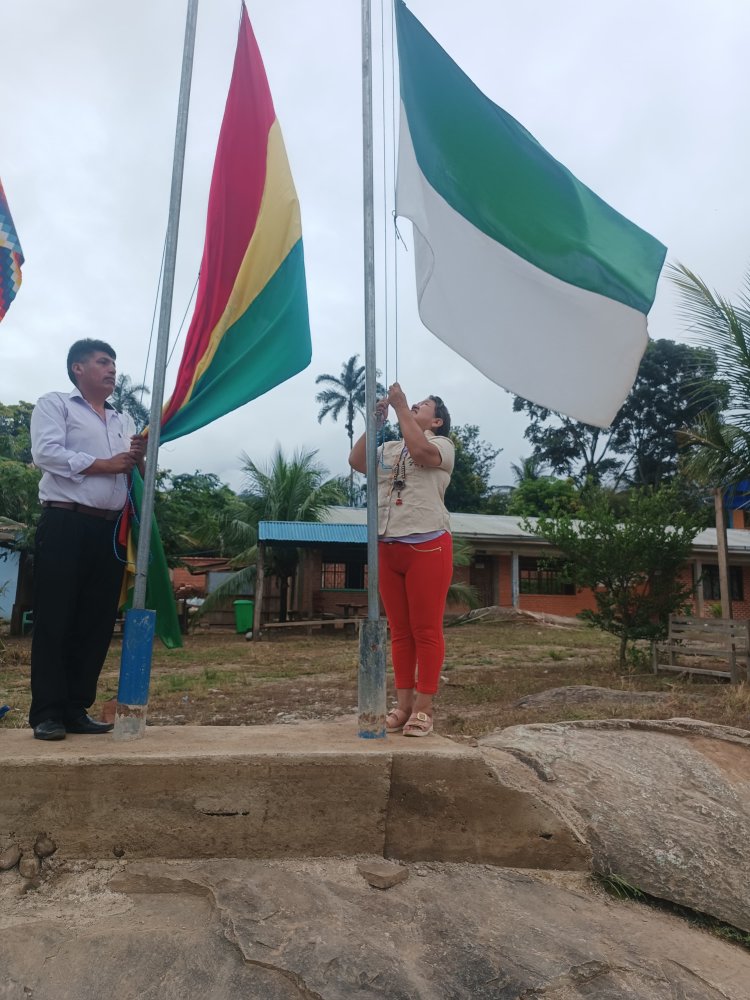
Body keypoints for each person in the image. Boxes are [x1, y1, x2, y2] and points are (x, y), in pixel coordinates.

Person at [28, 339, 146, 740]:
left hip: (111, 529)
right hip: (65, 522)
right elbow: (46, 454)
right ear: (78, 368)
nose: (112, 369)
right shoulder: (55, 404)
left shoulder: (123, 419)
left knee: (95, 622)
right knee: (55, 618)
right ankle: (47, 712)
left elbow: (131, 472)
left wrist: (138, 458)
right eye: (102, 361)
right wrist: (105, 465)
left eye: (114, 362)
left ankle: (76, 708)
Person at [349, 383, 454, 737]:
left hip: (428, 546)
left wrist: (401, 408)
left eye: (424, 405)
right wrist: (376, 424)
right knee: (401, 633)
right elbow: (357, 462)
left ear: (437, 421)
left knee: (426, 629)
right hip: (388, 547)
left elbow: (422, 453)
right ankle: (403, 705)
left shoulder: (441, 445)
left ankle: (424, 709)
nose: (416, 406)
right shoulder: (391, 448)